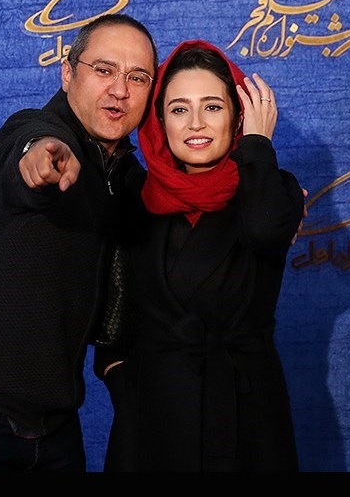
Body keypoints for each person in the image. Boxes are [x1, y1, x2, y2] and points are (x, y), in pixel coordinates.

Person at [0, 13, 158, 471]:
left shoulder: (124, 179)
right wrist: (39, 161)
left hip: (53, 421)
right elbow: (29, 151)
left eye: (137, 77)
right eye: (104, 70)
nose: (120, 89)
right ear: (67, 72)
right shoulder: (36, 131)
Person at [95, 40, 305, 472]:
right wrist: (119, 376)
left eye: (212, 107)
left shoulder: (271, 187)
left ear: (237, 116)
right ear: (159, 120)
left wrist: (258, 145)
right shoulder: (134, 195)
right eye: (178, 109)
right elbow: (115, 297)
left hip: (245, 416)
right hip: (152, 417)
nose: (195, 123)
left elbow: (264, 231)